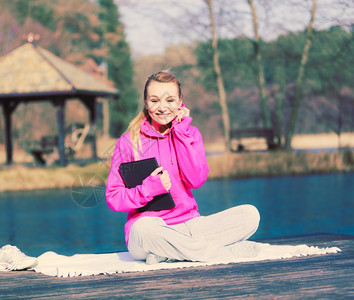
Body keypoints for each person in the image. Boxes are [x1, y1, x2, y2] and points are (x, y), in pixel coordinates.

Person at [106, 71, 260, 264]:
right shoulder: (129, 141)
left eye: (170, 100)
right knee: (142, 230)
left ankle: (169, 253)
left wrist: (180, 132)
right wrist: (148, 189)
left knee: (249, 215)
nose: (162, 108)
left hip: (190, 225)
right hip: (149, 228)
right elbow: (114, 197)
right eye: (154, 101)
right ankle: (219, 254)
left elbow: (196, 180)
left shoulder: (190, 134)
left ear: (180, 101)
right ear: (146, 103)